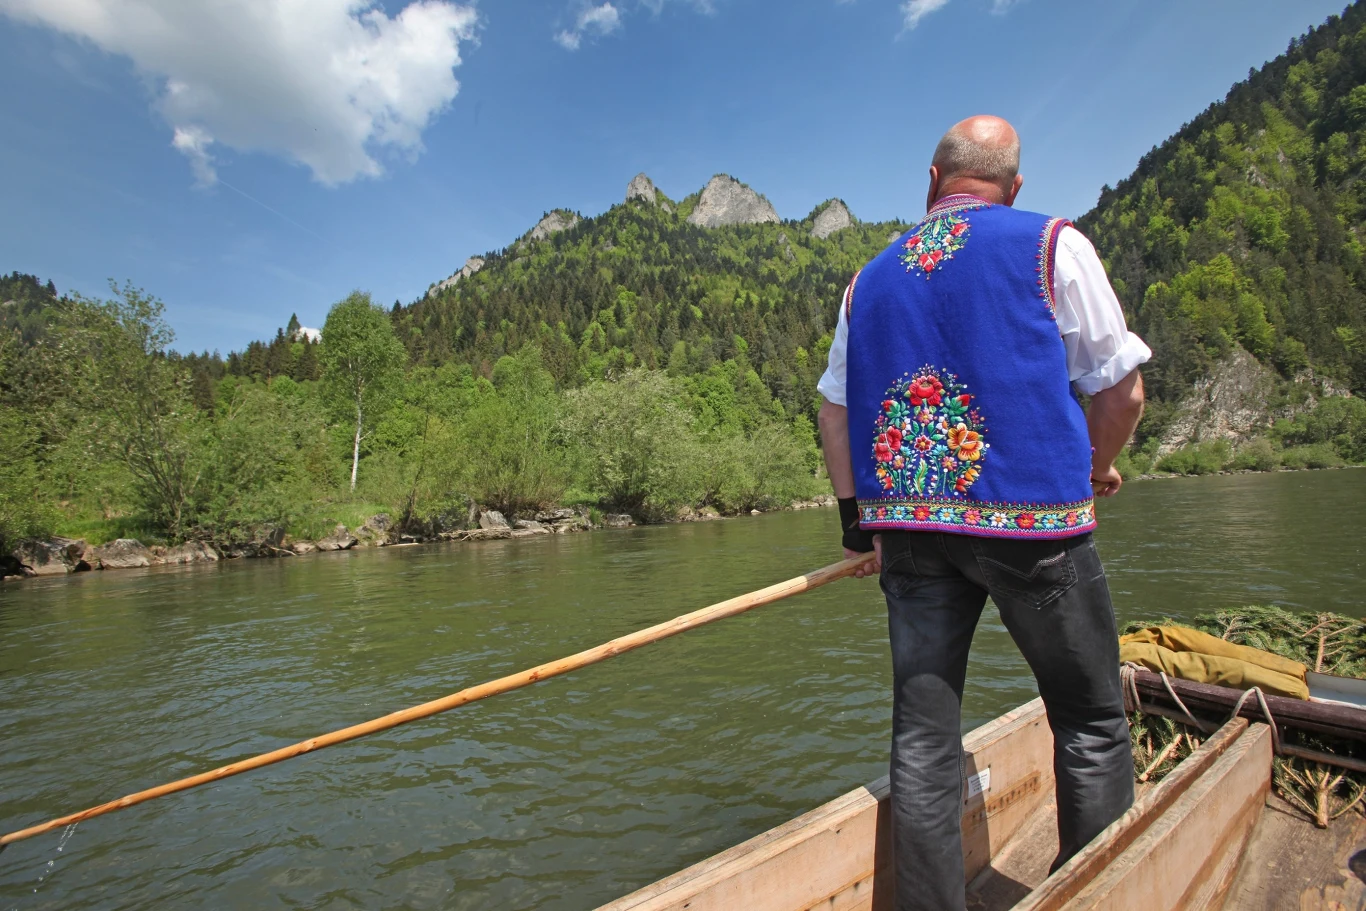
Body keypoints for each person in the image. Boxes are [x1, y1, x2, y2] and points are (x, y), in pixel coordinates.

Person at [816, 115, 1149, 911]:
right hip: (1035, 531)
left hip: (912, 537)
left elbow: (834, 414)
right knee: (1091, 720)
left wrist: (859, 528)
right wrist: (1096, 467)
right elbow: (1122, 391)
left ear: (932, 181)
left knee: (923, 742)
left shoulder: (867, 281)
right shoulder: (1051, 244)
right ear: (1014, 186)